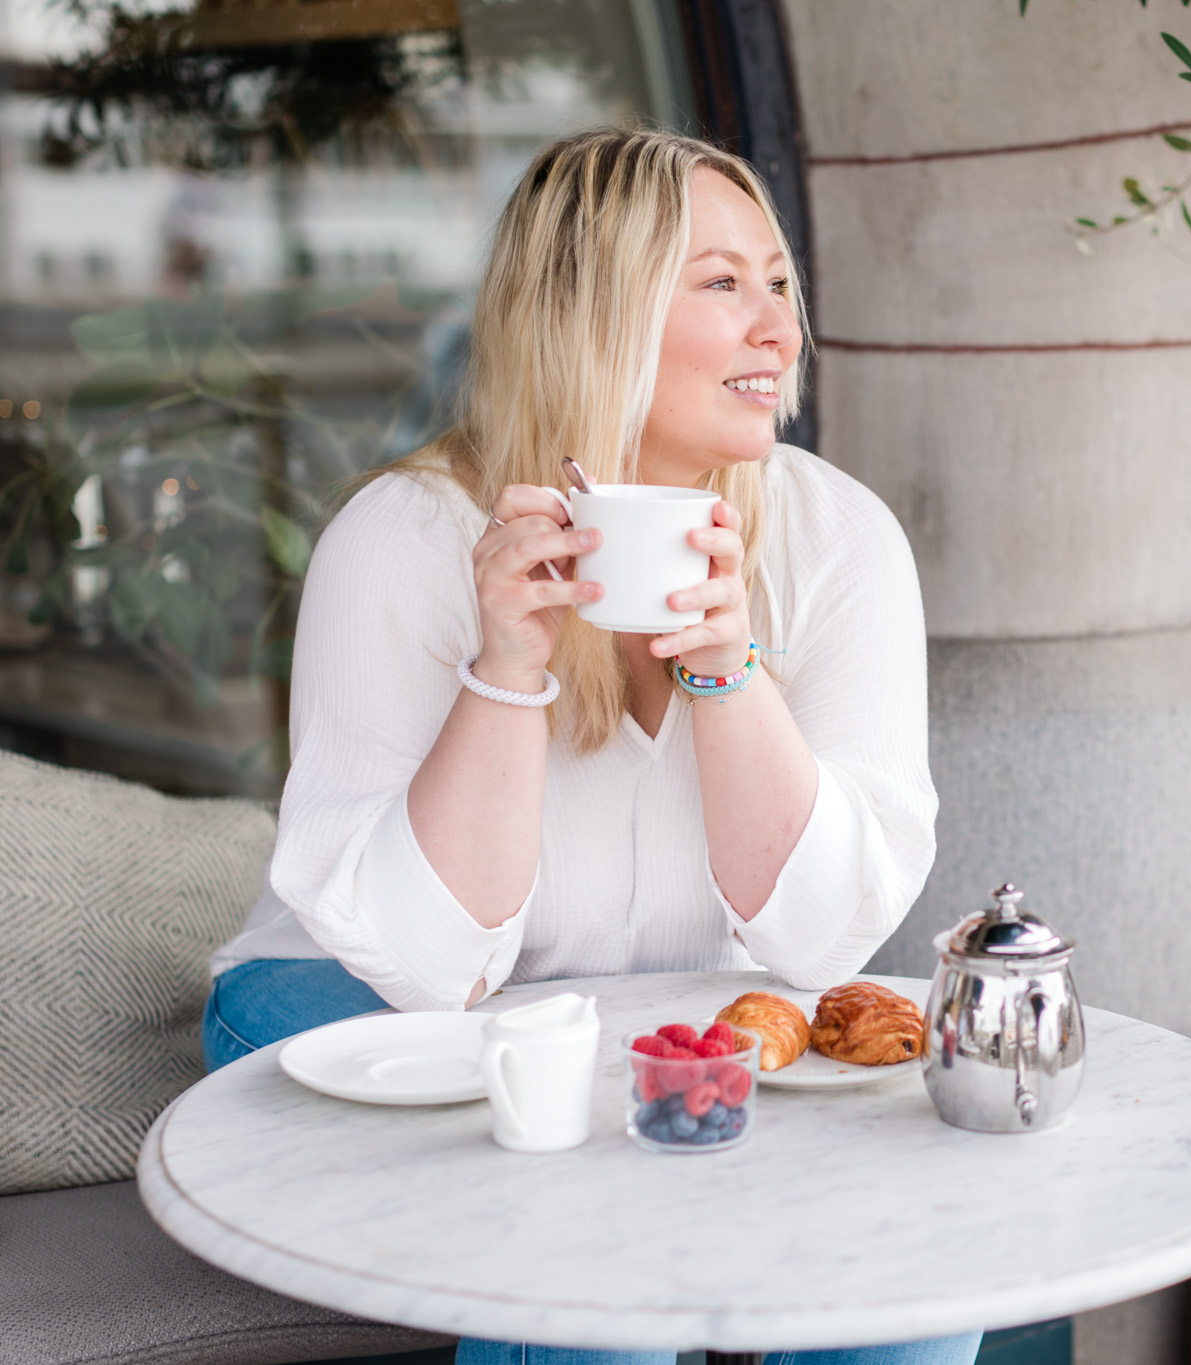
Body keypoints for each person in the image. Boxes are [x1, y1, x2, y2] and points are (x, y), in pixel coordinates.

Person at [201, 127, 973, 1365]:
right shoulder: (402, 539)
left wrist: (726, 665)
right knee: (582, 1263)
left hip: (655, 1013)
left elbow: (821, 941)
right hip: (354, 993)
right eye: (721, 284)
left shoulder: (841, 541)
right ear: (588, 313)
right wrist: (506, 669)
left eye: (778, 282)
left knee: (909, 1284)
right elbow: (427, 966)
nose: (779, 327)